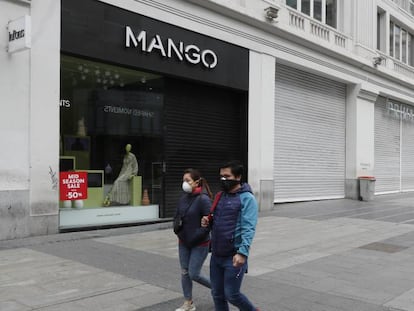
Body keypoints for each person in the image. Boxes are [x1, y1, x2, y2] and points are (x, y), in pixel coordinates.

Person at [201, 160, 259, 311]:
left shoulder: (247, 199)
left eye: (227, 176)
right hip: (217, 255)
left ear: (238, 177)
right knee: (217, 294)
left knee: (232, 294)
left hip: (234, 257)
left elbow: (249, 228)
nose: (223, 180)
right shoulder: (220, 196)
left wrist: (242, 253)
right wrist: (208, 221)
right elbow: (217, 220)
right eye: (221, 176)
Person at [174, 168, 214, 311]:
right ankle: (188, 303)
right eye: (183, 180)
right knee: (185, 272)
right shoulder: (183, 197)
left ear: (196, 182)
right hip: (183, 242)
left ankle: (218, 289)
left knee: (194, 273)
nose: (184, 183)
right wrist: (177, 231)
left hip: (200, 243)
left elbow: (209, 223)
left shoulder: (203, 199)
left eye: (187, 181)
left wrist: (195, 236)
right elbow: (177, 216)